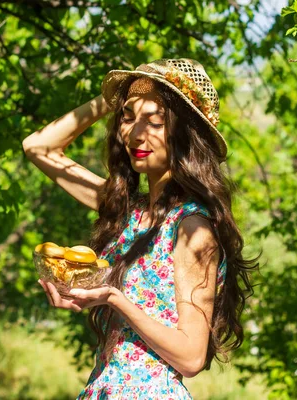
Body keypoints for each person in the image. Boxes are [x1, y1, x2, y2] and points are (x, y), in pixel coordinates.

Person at [22, 58, 258, 399]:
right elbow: (38, 147)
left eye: (155, 122)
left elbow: (191, 356)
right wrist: (118, 94)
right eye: (128, 118)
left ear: (184, 133)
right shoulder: (126, 212)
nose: (134, 133)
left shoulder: (193, 229)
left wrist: (114, 299)